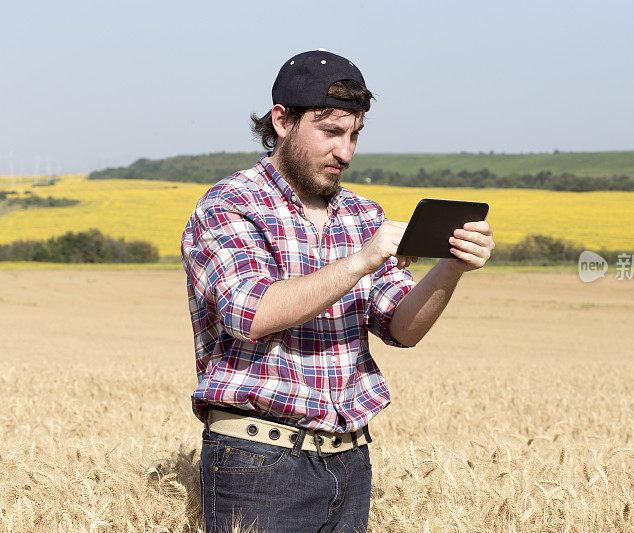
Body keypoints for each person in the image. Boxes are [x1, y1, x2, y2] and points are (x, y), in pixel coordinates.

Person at [181, 49, 495, 532]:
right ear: (282, 121)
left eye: (354, 136)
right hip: (258, 459)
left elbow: (402, 328)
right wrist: (359, 262)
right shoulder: (229, 205)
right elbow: (250, 313)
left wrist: (449, 267)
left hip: (350, 460)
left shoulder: (362, 214)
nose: (345, 153)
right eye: (330, 133)